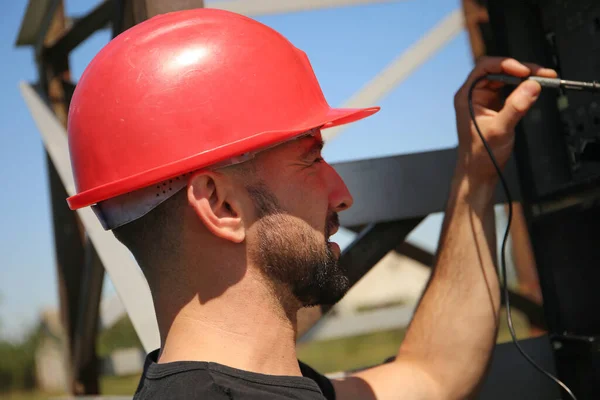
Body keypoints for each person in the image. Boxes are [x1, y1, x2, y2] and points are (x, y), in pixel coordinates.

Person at [66, 8, 557, 400]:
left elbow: (433, 374)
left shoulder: (273, 385)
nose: (342, 193)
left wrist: (476, 173)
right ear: (220, 205)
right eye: (310, 157)